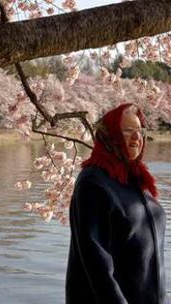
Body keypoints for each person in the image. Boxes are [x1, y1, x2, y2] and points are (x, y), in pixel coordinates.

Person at [66, 103, 168, 304]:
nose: (137, 137)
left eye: (140, 131)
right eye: (128, 130)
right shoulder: (94, 182)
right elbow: (96, 263)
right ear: (110, 136)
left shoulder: (137, 181)